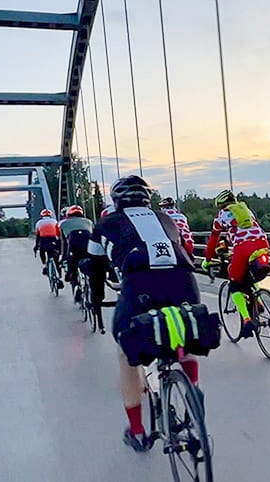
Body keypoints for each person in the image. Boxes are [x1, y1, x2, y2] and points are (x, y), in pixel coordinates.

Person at [86, 175, 201, 451]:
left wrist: (96, 292)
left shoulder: (105, 224)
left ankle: (137, 432)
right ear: (146, 198)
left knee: (127, 354)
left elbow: (93, 266)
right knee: (183, 327)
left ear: (116, 201)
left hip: (139, 288)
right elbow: (185, 250)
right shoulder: (167, 220)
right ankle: (194, 392)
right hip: (185, 283)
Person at [201, 189, 270, 339]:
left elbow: (213, 239)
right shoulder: (247, 211)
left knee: (234, 283)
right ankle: (258, 302)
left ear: (220, 205)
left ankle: (246, 321)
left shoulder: (221, 215)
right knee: (250, 275)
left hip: (243, 248)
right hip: (262, 243)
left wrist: (207, 260)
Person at [59, 205, 95, 298]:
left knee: (72, 267)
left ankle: (76, 287)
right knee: (91, 266)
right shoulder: (89, 222)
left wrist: (63, 257)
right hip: (88, 247)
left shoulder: (63, 223)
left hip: (73, 247)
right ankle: (91, 285)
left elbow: (64, 243)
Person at [33, 209, 63, 286]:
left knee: (42, 252)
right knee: (55, 258)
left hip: (44, 240)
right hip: (53, 240)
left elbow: (38, 236)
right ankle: (59, 275)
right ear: (50, 215)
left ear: (42, 215)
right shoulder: (55, 222)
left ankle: (45, 265)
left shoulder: (39, 223)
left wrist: (36, 246)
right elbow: (58, 234)